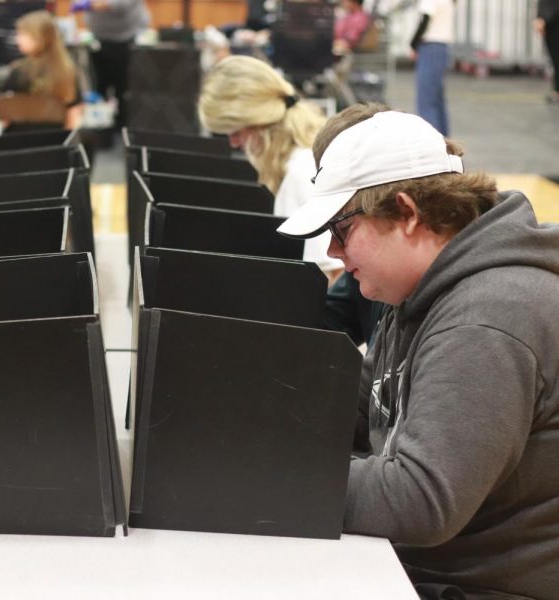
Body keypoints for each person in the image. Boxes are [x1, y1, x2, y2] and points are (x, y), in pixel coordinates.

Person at [277, 105, 559, 598]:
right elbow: (354, 411)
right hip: (419, 571)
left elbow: (422, 500)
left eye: (341, 230)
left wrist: (262, 479)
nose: (335, 252)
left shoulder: (488, 318)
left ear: (406, 213)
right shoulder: (418, 292)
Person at [198, 55, 342, 279]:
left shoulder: (300, 171)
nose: (234, 143)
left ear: (260, 122)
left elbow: (332, 275)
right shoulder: (304, 153)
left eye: (236, 132)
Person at [0, 9, 83, 129]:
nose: (17, 39)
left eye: (21, 34)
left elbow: (7, 113)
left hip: (22, 139)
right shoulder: (68, 70)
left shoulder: (20, 71)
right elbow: (73, 112)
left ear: (38, 37)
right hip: (57, 139)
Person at [74, 0, 150, 129]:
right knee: (99, 85)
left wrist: (89, 4)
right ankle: (102, 127)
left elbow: (118, 4)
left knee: (123, 86)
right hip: (98, 38)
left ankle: (123, 127)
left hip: (126, 38)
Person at [410, 0, 454, 135]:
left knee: (426, 101)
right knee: (437, 99)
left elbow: (425, 19)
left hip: (430, 47)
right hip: (442, 48)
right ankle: (445, 140)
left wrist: (413, 44)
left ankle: (432, 141)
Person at [535, 0, 559, 103]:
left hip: (554, 22)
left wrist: (543, 18)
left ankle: (557, 91)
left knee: (557, 59)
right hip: (551, 23)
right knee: (555, 59)